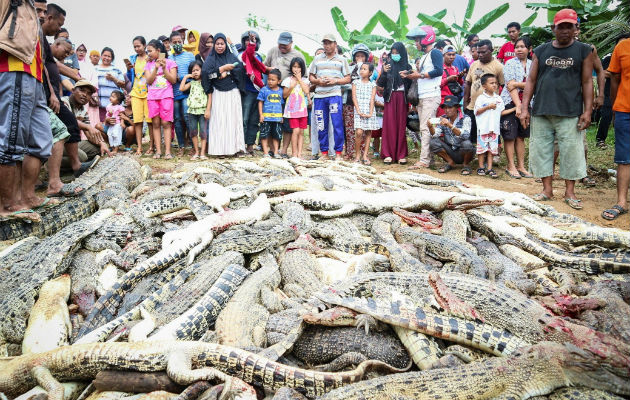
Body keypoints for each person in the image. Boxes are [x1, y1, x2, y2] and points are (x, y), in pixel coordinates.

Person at [520, 8, 593, 210]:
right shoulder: (542, 50)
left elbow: (587, 81)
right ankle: (547, 190)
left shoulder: (583, 50)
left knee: (571, 152)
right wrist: (524, 108)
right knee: (541, 150)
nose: (565, 31)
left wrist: (587, 111)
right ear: (554, 28)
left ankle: (570, 192)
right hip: (542, 110)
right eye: (561, 27)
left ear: (575, 28)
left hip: (570, 111)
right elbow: (531, 80)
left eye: (570, 26)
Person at [0, 0, 53, 220]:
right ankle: (7, 205)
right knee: (11, 140)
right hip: (14, 68)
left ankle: (27, 196)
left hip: (35, 77)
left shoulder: (30, 7)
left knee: (41, 141)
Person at [202, 33, 246, 157]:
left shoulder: (231, 57)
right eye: (217, 44)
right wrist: (221, 69)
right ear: (214, 45)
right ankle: (220, 151)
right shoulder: (210, 60)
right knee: (219, 122)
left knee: (233, 121)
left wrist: (228, 72)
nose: (220, 46)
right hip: (218, 93)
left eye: (222, 44)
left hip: (232, 92)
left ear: (225, 45)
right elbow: (207, 75)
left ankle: (237, 149)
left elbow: (240, 70)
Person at [406, 26, 443, 169]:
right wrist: (411, 73)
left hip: (431, 95)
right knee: (426, 127)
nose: (416, 43)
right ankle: (429, 158)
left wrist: (419, 75)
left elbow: (439, 71)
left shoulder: (435, 53)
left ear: (425, 39)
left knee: (425, 127)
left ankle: (424, 160)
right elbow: (424, 73)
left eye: (417, 40)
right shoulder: (424, 57)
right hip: (423, 95)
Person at [309, 34, 351, 161]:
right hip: (320, 96)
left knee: (337, 123)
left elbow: (348, 78)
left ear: (335, 44)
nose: (327, 45)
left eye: (329, 43)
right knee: (321, 124)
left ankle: (338, 153)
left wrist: (335, 81)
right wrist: (318, 82)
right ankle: (324, 153)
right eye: (325, 43)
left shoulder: (341, 60)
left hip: (334, 95)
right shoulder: (316, 59)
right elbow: (311, 77)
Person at [601, 37, 630, 220]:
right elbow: (615, 80)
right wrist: (613, 107)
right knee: (624, 157)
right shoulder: (623, 46)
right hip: (624, 109)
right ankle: (621, 202)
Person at [264, 32, 306, 158]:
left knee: (287, 124)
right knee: (273, 120)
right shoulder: (272, 51)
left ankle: (283, 150)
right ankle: (272, 149)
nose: (282, 46)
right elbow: (264, 67)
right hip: (272, 91)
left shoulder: (297, 55)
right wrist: (269, 70)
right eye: (280, 44)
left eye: (285, 45)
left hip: (290, 94)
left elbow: (303, 75)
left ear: (291, 43)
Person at [500, 36, 533, 179]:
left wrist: (519, 84)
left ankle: (521, 166)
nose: (519, 49)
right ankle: (510, 165)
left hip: (529, 103)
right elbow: (510, 86)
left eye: (522, 47)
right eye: (517, 47)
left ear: (529, 49)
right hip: (510, 103)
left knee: (521, 136)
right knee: (510, 135)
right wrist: (519, 106)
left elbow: (536, 84)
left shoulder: (533, 64)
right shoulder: (509, 64)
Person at [376, 42, 412, 165]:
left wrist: (407, 76)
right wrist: (384, 72)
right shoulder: (388, 65)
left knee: (401, 126)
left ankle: (401, 155)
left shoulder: (408, 66)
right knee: (389, 126)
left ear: (402, 53)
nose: (395, 55)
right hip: (390, 97)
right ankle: (387, 154)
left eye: (397, 52)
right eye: (393, 52)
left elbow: (411, 85)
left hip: (402, 98)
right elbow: (380, 84)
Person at [464, 39, 504, 145]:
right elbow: (468, 83)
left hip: (490, 107)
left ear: (491, 50)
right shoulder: (474, 64)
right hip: (473, 106)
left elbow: (503, 86)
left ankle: (494, 154)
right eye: (478, 52)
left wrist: (499, 104)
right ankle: (477, 153)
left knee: (491, 132)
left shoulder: (498, 66)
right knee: (473, 133)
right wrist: (465, 103)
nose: (480, 55)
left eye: (483, 52)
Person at [144, 39, 178, 159]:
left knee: (166, 123)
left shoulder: (170, 63)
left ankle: (167, 151)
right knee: (156, 123)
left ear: (158, 50)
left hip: (166, 96)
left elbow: (173, 80)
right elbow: (148, 80)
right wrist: (155, 68)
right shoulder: (148, 64)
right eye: (147, 51)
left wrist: (163, 69)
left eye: (150, 51)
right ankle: (158, 151)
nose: (148, 53)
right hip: (152, 97)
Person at [240, 31, 269, 156]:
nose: (249, 42)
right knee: (244, 120)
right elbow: (249, 55)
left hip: (258, 92)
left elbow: (260, 70)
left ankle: (250, 145)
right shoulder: (243, 55)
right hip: (247, 91)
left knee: (254, 120)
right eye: (246, 40)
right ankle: (241, 146)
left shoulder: (259, 56)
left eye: (251, 40)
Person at [429, 95, 474, 175]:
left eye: (450, 107)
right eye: (445, 108)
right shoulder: (443, 118)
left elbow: (466, 135)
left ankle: (466, 164)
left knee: (467, 144)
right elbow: (435, 134)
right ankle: (450, 162)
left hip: (463, 151)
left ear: (457, 107)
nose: (447, 110)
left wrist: (450, 125)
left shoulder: (466, 118)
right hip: (450, 151)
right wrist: (430, 127)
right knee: (433, 142)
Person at [124, 35, 153, 155]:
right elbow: (131, 75)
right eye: (134, 47)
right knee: (137, 121)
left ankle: (151, 146)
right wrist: (128, 68)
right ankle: (140, 147)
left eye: (139, 46)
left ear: (144, 45)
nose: (136, 49)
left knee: (150, 121)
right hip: (135, 91)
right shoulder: (133, 58)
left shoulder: (150, 58)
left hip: (148, 92)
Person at [169, 31, 196, 156]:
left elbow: (195, 71)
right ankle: (181, 145)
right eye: (174, 42)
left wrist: (186, 79)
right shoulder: (169, 58)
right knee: (177, 119)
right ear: (170, 44)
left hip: (188, 91)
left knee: (187, 116)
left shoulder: (190, 56)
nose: (177, 44)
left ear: (183, 42)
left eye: (179, 42)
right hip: (174, 92)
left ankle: (191, 144)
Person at [475, 74, 506, 178]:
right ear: (484, 86)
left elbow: (502, 112)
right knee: (482, 149)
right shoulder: (481, 98)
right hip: (483, 128)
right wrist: (488, 107)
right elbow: (477, 111)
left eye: (496, 83)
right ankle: (481, 167)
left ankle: (489, 168)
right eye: (491, 83)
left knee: (491, 150)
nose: (494, 85)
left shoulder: (498, 98)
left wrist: (515, 109)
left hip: (494, 129)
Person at [344, 44, 370, 160]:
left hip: (363, 104)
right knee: (349, 130)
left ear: (366, 57)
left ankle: (363, 153)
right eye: (357, 56)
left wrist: (361, 67)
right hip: (349, 102)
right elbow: (344, 83)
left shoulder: (369, 70)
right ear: (354, 57)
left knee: (362, 130)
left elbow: (368, 84)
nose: (360, 58)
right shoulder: (349, 68)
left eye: (362, 56)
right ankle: (349, 152)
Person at [180, 60, 210, 160]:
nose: (195, 72)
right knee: (193, 131)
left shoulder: (205, 82)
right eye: (193, 71)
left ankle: (202, 153)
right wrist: (186, 77)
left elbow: (210, 96)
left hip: (202, 111)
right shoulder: (192, 83)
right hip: (192, 111)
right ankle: (196, 152)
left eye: (197, 70)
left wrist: (208, 110)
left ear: (202, 70)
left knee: (203, 131)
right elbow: (181, 88)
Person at [282, 57, 310, 159]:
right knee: (295, 130)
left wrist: (299, 79)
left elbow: (307, 91)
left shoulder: (305, 80)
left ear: (302, 68)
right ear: (291, 68)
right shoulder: (287, 80)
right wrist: (292, 86)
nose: (296, 69)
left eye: (298, 67)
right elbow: (284, 95)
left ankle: (299, 154)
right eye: (294, 67)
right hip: (292, 110)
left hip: (302, 110)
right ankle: (294, 153)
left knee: (301, 132)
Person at [352, 62, 379, 164]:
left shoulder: (372, 85)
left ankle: (365, 155)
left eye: (365, 69)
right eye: (361, 69)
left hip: (369, 110)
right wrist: (358, 110)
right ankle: (357, 155)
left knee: (368, 132)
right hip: (358, 110)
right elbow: (354, 97)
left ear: (370, 72)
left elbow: (372, 99)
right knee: (359, 132)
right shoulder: (355, 82)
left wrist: (371, 112)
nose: (362, 70)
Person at [257, 69, 284, 158]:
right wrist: (261, 114)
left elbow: (281, 104)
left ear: (279, 81)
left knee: (276, 136)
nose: (270, 81)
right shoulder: (264, 90)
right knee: (264, 135)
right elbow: (260, 102)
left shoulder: (281, 91)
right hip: (266, 117)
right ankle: (265, 153)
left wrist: (282, 116)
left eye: (273, 80)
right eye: (269, 79)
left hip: (277, 118)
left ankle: (276, 152)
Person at [95, 47, 125, 121]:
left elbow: (123, 84)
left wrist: (113, 78)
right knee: (100, 125)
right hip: (99, 104)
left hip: (114, 106)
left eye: (109, 56)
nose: (106, 58)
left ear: (112, 58)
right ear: (101, 56)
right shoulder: (95, 69)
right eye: (105, 55)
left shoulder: (116, 69)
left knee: (113, 124)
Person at [438, 45, 464, 116]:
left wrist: (460, 77)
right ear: (443, 55)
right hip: (442, 100)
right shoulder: (439, 68)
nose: (451, 57)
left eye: (453, 55)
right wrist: (447, 79)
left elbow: (460, 84)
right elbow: (436, 85)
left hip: (454, 100)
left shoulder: (455, 68)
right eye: (449, 55)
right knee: (442, 122)